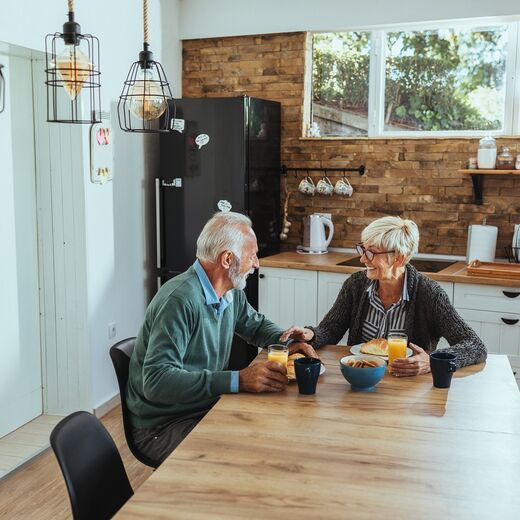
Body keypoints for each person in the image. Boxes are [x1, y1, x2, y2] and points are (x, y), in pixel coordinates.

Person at [127, 211, 316, 466]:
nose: (257, 264)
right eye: (252, 256)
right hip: (163, 426)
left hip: (204, 407)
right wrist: (238, 380)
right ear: (228, 259)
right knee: (247, 458)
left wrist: (288, 342)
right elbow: (156, 381)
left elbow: (255, 325)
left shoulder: (229, 291)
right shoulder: (180, 300)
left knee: (272, 437)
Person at [281, 216, 486, 376]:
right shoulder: (356, 284)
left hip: (406, 387)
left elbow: (474, 345)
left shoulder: (430, 294)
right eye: (362, 249)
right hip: (359, 378)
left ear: (399, 258)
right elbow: (331, 329)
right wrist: (311, 334)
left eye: (371, 252)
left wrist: (432, 360)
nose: (362, 258)